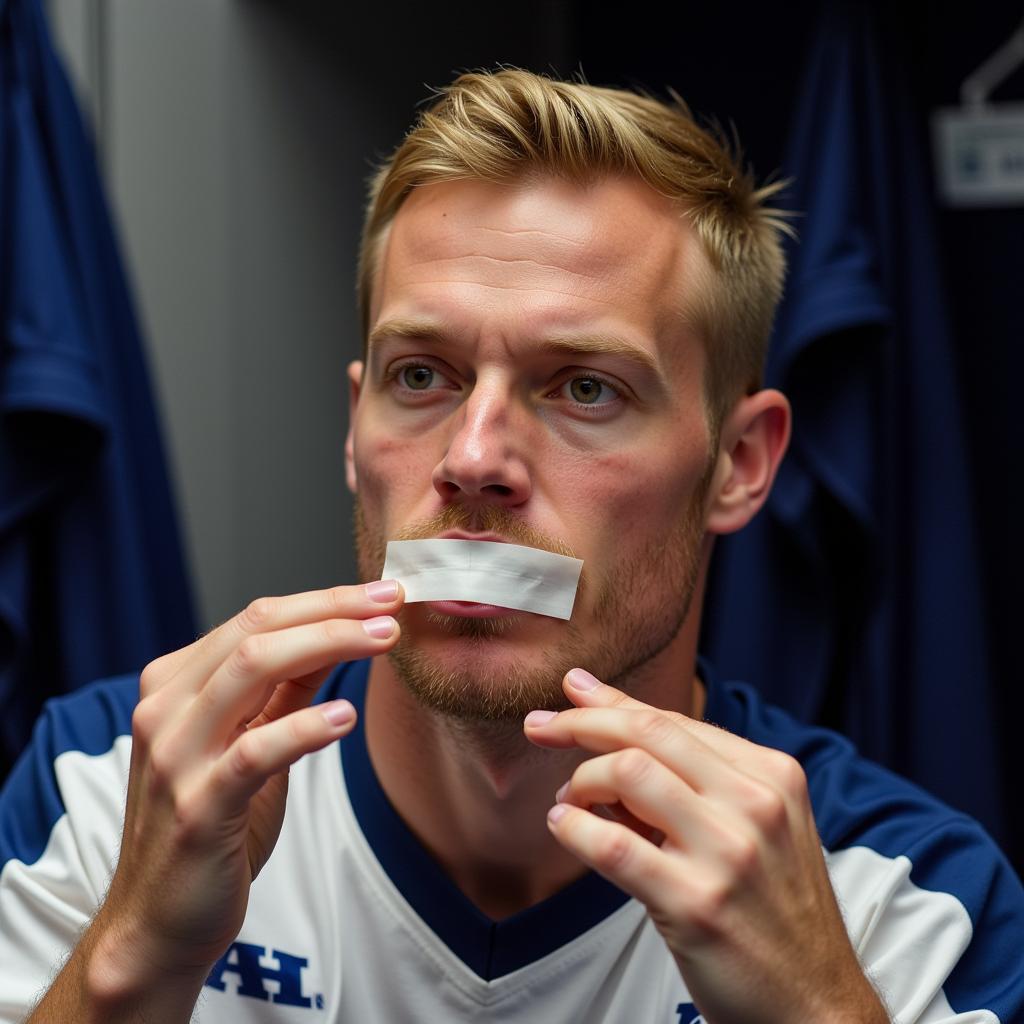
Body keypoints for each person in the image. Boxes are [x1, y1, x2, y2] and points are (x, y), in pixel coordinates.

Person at [1, 69, 1022, 1024]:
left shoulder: (905, 899)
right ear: (355, 432)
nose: (474, 457)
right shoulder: (115, 793)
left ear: (739, 462)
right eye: (422, 377)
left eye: (585, 387)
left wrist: (818, 1008)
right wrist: (131, 961)